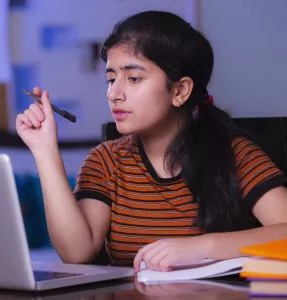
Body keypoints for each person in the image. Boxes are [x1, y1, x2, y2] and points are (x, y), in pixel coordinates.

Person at [16, 11, 287, 272]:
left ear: (180, 90)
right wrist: (45, 150)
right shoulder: (106, 161)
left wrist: (203, 246)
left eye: (134, 78)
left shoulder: (234, 154)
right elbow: (76, 252)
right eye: (111, 79)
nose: (114, 94)